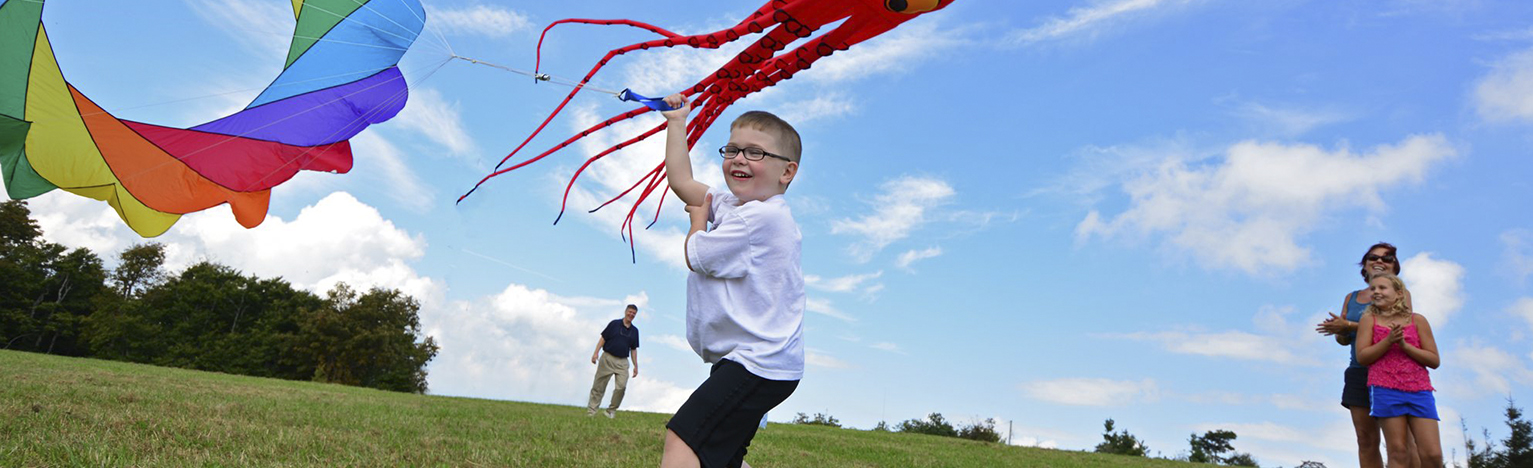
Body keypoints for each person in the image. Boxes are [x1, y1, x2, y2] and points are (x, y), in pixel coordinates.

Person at [657, 93, 804, 468]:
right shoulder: (736, 207)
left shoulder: (762, 219)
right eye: (732, 149)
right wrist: (677, 123)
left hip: (759, 363)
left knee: (684, 439)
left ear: (786, 172)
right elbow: (682, 180)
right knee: (720, 457)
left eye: (756, 152)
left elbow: (696, 255)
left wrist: (697, 222)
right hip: (754, 363)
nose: (739, 158)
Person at [1315, 242, 1418, 468]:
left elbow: (1397, 328)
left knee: (1402, 443)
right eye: (1373, 257)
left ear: (1395, 267)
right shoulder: (1351, 297)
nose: (1379, 261)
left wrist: (1350, 325)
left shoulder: (1402, 295)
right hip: (1358, 370)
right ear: (1365, 265)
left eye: (1387, 258)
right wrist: (1339, 330)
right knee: (1366, 440)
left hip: (1392, 372)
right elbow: (1344, 341)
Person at [1356, 274, 1443, 468]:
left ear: (1399, 293)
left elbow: (1434, 360)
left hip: (1419, 390)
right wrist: (1388, 342)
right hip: (1384, 389)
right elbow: (1363, 357)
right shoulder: (1369, 320)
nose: (1376, 292)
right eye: (1373, 289)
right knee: (1398, 452)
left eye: (1382, 288)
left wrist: (1405, 345)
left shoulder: (1417, 320)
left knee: (1433, 454)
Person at [588, 304, 640, 418]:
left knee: (621, 387)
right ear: (625, 311)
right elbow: (603, 338)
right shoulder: (614, 324)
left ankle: (610, 411)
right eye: (630, 312)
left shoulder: (635, 331)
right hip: (607, 358)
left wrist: (636, 366)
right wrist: (595, 353)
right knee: (599, 386)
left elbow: (633, 349)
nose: (631, 314)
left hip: (622, 362)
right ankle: (592, 412)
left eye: (634, 313)